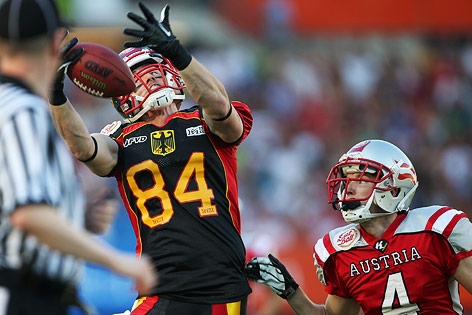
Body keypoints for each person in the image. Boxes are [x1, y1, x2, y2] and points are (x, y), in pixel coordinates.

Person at [49, 2, 253, 314]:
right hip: (163, 285)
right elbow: (83, 148)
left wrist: (178, 51)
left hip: (221, 284)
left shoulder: (204, 119)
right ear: (121, 91)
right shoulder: (120, 136)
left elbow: (221, 107)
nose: (152, 77)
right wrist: (56, 95)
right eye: (139, 74)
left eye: (156, 68)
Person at [0, 0, 157, 314]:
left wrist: (72, 218)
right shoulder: (23, 111)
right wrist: (117, 261)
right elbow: (28, 215)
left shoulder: (10, 103)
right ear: (55, 41)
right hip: (22, 295)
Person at [246, 139, 472, 314]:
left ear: (393, 189)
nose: (348, 188)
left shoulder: (436, 229)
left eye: (361, 179)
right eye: (347, 179)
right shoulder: (338, 251)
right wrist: (290, 291)